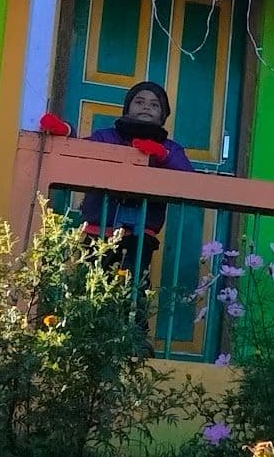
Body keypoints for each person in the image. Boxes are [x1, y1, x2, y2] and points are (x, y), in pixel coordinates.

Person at [77, 80, 195, 296]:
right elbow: (79, 152)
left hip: (141, 235)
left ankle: (134, 330)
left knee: (134, 292)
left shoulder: (171, 148)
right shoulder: (106, 137)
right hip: (100, 229)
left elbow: (188, 179)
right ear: (127, 109)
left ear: (162, 116)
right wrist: (65, 131)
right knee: (90, 289)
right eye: (139, 102)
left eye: (154, 104)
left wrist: (162, 155)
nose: (146, 107)